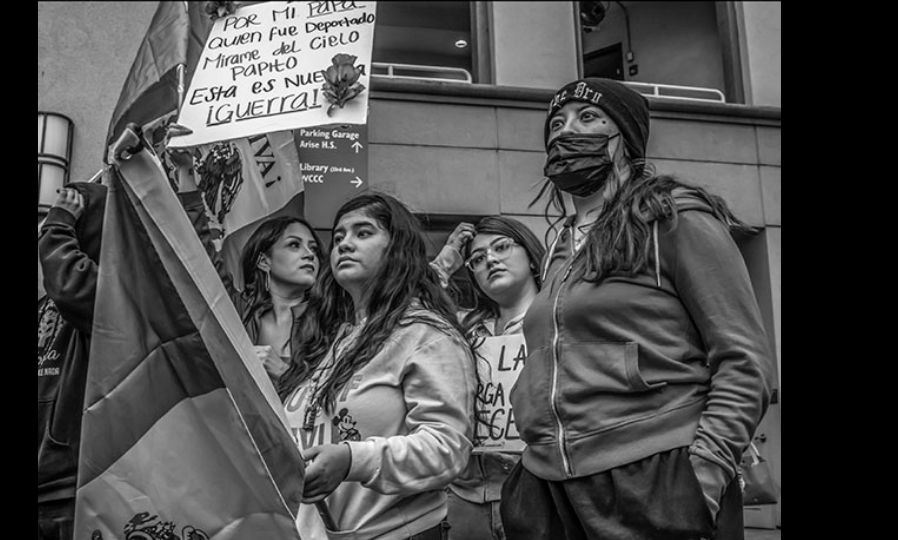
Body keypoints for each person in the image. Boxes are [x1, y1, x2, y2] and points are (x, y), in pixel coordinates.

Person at [501, 78, 773, 540]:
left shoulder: (674, 218)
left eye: (588, 117)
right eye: (556, 123)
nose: (566, 131)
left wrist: (704, 475)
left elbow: (745, 361)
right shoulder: (557, 249)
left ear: (626, 138)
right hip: (550, 485)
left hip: (655, 477)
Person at [277, 192, 477, 540]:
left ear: (396, 248)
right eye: (338, 237)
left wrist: (352, 460)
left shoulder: (426, 334)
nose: (344, 244)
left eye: (363, 233)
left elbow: (447, 450)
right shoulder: (328, 341)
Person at [171, 135, 322, 384]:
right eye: (294, 245)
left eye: (314, 248)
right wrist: (186, 170)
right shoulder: (238, 311)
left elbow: (343, 394)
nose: (309, 254)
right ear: (264, 262)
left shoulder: (331, 318)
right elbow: (199, 252)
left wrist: (284, 373)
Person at [443, 216, 545, 540]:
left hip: (537, 489)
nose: (490, 259)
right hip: (465, 498)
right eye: (477, 259)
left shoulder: (560, 320)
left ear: (531, 257)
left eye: (501, 247)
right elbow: (405, 307)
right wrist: (446, 262)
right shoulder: (461, 327)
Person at [38, 183, 107, 539]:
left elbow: (72, 287)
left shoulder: (108, 295)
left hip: (72, 490)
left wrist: (57, 226)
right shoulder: (45, 306)